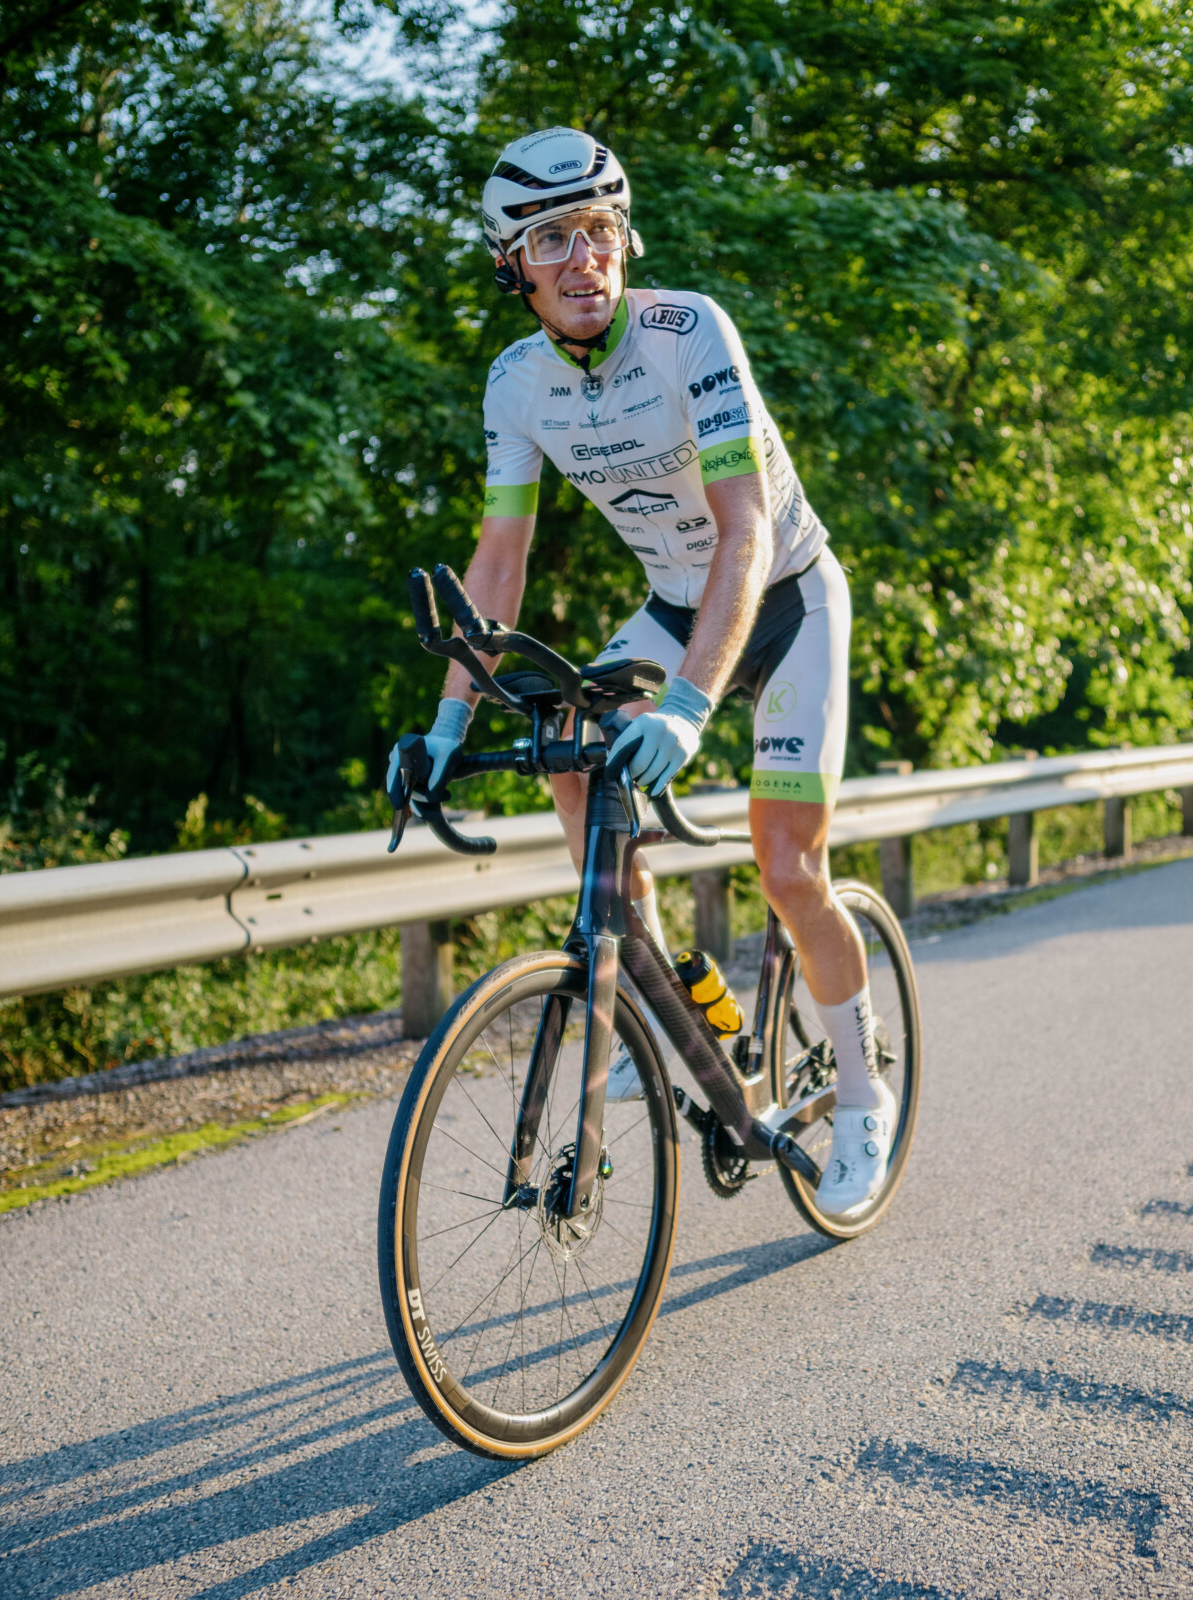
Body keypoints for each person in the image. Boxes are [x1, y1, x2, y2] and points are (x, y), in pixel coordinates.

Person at [392, 127, 892, 1217]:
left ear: (625, 238)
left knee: (786, 867)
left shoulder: (687, 332)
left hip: (787, 597)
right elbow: (500, 559)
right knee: (573, 757)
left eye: (598, 230)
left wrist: (691, 703)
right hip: (672, 605)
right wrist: (446, 722)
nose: (582, 258)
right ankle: (656, 1000)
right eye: (551, 240)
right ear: (513, 266)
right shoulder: (516, 384)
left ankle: (863, 1096)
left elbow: (744, 526)